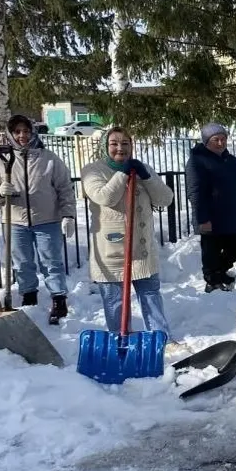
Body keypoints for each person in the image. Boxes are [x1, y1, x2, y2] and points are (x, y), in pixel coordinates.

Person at [81, 127, 174, 339]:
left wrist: (146, 176)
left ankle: (161, 338)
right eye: (114, 143)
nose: (120, 148)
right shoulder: (93, 171)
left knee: (150, 295)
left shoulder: (141, 168)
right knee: (115, 301)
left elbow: (165, 199)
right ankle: (120, 339)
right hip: (112, 251)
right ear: (105, 146)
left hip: (142, 248)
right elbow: (105, 197)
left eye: (125, 143)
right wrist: (122, 173)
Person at [0, 114, 76, 325]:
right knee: (22, 263)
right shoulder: (1, 160)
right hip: (14, 220)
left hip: (47, 219)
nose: (22, 135)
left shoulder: (48, 158)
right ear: (11, 134)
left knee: (51, 262)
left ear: (33, 132)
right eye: (17, 132)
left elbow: (65, 188)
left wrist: (68, 214)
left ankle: (59, 298)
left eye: (26, 131)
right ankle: (29, 296)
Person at [185, 123, 236, 292]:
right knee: (211, 251)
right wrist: (203, 219)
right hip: (211, 215)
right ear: (207, 141)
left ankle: (219, 272)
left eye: (223, 139)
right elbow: (195, 192)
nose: (221, 143)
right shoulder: (197, 160)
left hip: (231, 215)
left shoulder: (230, 159)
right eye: (216, 139)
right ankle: (212, 280)